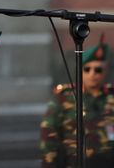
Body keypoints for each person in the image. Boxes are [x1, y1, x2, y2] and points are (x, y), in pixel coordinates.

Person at [40, 35, 114, 167]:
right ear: (81, 70)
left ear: (106, 71)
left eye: (98, 70)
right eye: (87, 69)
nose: (93, 74)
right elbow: (49, 135)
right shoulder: (64, 96)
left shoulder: (111, 97)